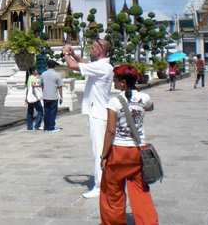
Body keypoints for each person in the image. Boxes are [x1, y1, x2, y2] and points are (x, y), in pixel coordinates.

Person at [99, 65, 158, 225]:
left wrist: (104, 156)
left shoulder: (114, 102)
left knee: (113, 192)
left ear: (123, 82)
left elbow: (110, 132)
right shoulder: (144, 98)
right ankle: (148, 221)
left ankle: (114, 222)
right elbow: (150, 107)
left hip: (118, 151)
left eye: (116, 80)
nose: (114, 82)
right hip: (138, 151)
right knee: (141, 191)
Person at [62, 39, 113, 199]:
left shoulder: (101, 66)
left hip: (98, 114)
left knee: (98, 150)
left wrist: (65, 53)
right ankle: (104, 181)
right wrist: (74, 54)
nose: (90, 50)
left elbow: (72, 67)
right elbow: (84, 64)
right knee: (100, 150)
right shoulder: (104, 65)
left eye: (92, 48)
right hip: (99, 112)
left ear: (99, 51)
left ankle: (100, 186)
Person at [40, 59, 63, 132]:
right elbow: (60, 86)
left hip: (46, 95)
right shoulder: (57, 75)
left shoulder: (43, 74)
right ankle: (51, 126)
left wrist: (43, 92)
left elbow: (41, 85)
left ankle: (46, 127)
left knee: (46, 112)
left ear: (48, 66)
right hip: (54, 96)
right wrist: (61, 96)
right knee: (52, 112)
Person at [25, 66, 44, 130]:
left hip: (29, 98)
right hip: (34, 98)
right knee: (40, 111)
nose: (36, 71)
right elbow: (33, 85)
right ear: (33, 71)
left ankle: (29, 126)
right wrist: (39, 85)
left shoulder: (29, 78)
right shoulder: (33, 77)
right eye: (35, 70)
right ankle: (37, 125)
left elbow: (28, 88)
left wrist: (26, 97)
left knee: (30, 112)